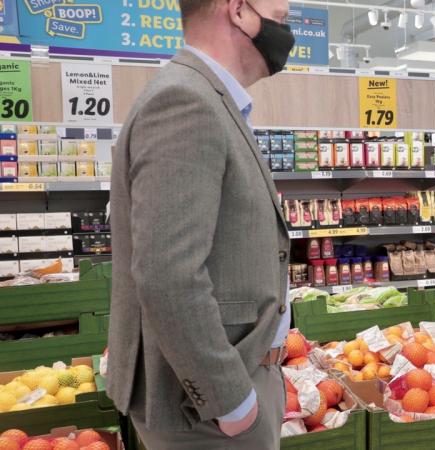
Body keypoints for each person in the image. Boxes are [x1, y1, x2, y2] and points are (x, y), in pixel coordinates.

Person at [107, 0, 296, 448]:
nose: (286, 31)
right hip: (204, 411)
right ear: (238, 10)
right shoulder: (186, 101)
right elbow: (167, 275)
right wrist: (231, 403)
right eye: (282, 18)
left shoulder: (209, 98)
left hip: (231, 383)